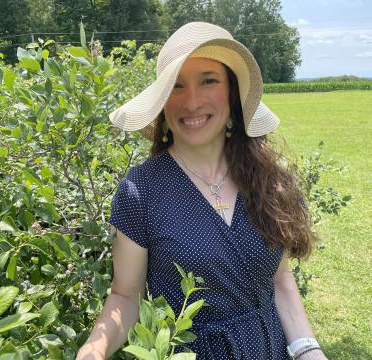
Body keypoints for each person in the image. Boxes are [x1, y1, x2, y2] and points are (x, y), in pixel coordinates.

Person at [77, 22, 328, 360]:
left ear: (232, 94)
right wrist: (92, 352)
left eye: (208, 81)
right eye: (177, 86)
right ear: (163, 102)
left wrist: (307, 350)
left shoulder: (266, 179)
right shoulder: (141, 192)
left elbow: (280, 280)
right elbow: (125, 296)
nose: (191, 101)